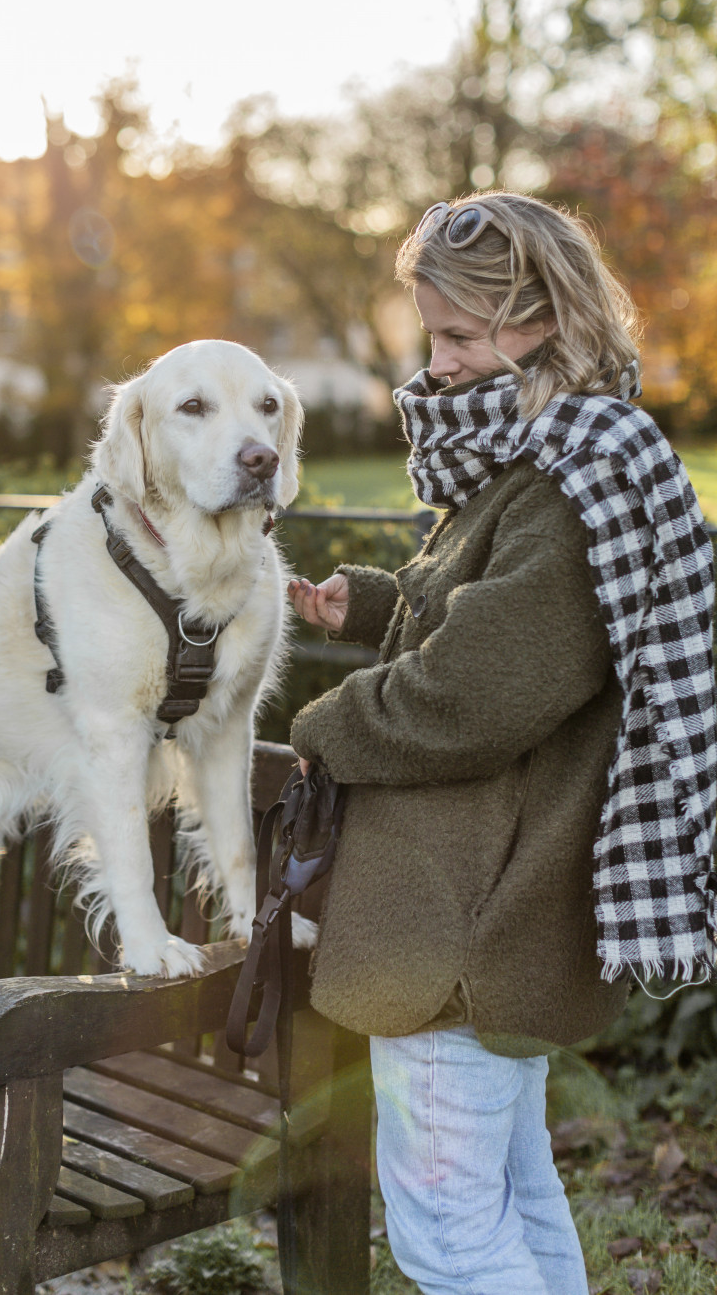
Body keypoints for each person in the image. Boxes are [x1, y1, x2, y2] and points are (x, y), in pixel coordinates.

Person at [286, 192, 717, 1295]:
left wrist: (320, 729)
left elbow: (476, 695)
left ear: (544, 323)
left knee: (447, 1232)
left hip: (460, 927)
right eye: (432, 334)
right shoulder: (542, 459)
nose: (436, 365)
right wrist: (381, 604)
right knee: (513, 1198)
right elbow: (499, 627)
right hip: (479, 913)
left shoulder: (573, 484)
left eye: (461, 338)